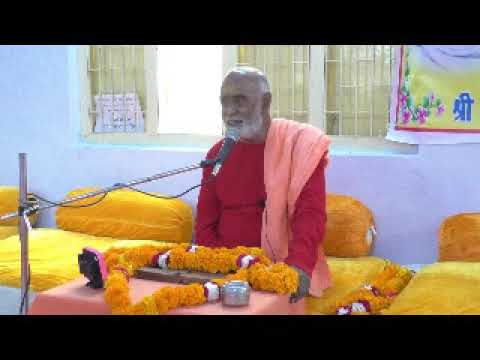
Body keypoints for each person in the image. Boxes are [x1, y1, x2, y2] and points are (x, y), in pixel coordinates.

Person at [195, 66, 331, 303]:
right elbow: (205, 225)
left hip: (280, 272)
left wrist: (298, 266)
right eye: (224, 103)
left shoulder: (299, 146)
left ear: (265, 102)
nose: (230, 112)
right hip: (225, 274)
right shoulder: (217, 154)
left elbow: (311, 215)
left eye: (240, 101)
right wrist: (222, 268)